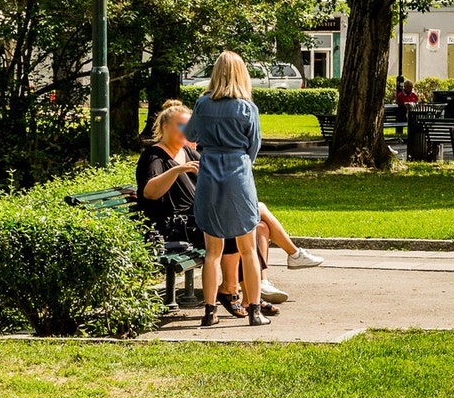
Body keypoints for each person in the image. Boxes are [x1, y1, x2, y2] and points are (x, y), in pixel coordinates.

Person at [138, 102, 323, 312]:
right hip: (178, 227)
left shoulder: (189, 153)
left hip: (199, 217)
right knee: (240, 226)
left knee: (258, 227)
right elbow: (149, 192)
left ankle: (251, 295)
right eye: (181, 126)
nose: (187, 132)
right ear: (164, 127)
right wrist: (177, 170)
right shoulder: (154, 155)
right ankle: (238, 288)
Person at [188, 51, 269, 327]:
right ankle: (255, 311)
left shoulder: (202, 104)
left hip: (209, 174)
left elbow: (189, 135)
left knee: (213, 252)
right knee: (248, 248)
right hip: (238, 174)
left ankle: (210, 312)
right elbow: (254, 146)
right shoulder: (247, 108)